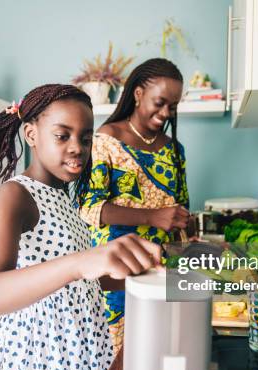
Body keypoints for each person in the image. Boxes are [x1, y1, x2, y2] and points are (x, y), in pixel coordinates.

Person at [0, 84, 162, 370]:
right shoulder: (14, 195)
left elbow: (75, 279)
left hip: (80, 346)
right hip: (40, 362)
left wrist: (138, 273)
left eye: (86, 139)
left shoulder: (63, 198)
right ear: (31, 134)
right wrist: (81, 262)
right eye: (63, 136)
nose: (77, 147)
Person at [80, 58, 190, 354]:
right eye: (160, 102)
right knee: (119, 357)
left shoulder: (174, 149)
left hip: (162, 271)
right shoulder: (106, 140)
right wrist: (154, 217)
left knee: (158, 353)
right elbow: (89, 208)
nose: (165, 113)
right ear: (139, 93)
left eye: (173, 106)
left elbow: (180, 212)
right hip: (117, 271)